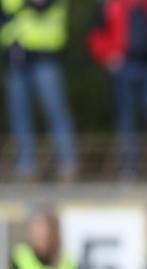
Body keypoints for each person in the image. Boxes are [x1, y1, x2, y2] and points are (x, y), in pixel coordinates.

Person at [87, 0, 147, 178]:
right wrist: (107, 56)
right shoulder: (108, 4)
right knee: (126, 120)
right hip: (124, 68)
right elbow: (96, 34)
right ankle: (129, 168)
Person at [0, 0, 77, 181]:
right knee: (19, 115)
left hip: (45, 56)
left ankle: (68, 163)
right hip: (16, 58)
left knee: (56, 111)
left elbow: (41, 5)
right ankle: (26, 167)